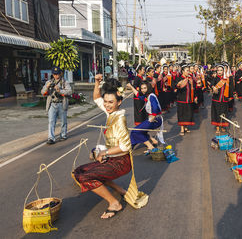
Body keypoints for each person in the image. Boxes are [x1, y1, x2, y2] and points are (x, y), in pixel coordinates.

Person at [73, 75, 136, 219]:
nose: (107, 105)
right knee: (79, 170)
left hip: (121, 162)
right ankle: (119, 189)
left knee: (84, 177)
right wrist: (97, 82)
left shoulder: (119, 119)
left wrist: (103, 153)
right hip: (112, 157)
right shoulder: (110, 112)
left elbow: (125, 147)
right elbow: (96, 97)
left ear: (119, 102)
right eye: (106, 102)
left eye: (111, 102)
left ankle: (114, 203)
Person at [127, 81, 164, 153]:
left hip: (155, 120)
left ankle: (151, 147)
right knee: (139, 130)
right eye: (142, 88)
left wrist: (151, 119)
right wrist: (131, 87)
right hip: (152, 119)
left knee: (135, 131)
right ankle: (154, 141)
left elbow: (155, 108)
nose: (143, 90)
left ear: (148, 88)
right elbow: (138, 95)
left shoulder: (151, 96)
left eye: (145, 88)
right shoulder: (147, 96)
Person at [41, 66, 72, 144]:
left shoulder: (65, 82)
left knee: (63, 121)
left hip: (61, 103)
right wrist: (47, 87)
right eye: (54, 74)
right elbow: (43, 93)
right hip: (52, 104)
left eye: (57, 74)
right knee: (51, 121)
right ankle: (51, 138)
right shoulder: (49, 82)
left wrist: (60, 90)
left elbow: (69, 92)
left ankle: (63, 135)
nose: (56, 76)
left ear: (60, 74)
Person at [211, 64, 233, 134]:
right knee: (217, 113)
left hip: (224, 99)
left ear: (223, 71)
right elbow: (211, 84)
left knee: (224, 113)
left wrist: (230, 96)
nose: (219, 71)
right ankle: (217, 127)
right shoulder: (215, 78)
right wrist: (213, 87)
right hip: (216, 99)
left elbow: (230, 88)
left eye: (221, 70)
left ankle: (222, 126)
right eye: (218, 70)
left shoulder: (226, 79)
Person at [176, 65, 196, 135]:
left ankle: (186, 127)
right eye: (187, 70)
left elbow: (193, 88)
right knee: (182, 114)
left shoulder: (190, 78)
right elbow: (177, 86)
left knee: (188, 114)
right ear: (183, 71)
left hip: (189, 99)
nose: (188, 72)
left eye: (188, 70)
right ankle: (182, 129)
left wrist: (195, 97)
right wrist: (179, 84)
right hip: (181, 99)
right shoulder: (179, 78)